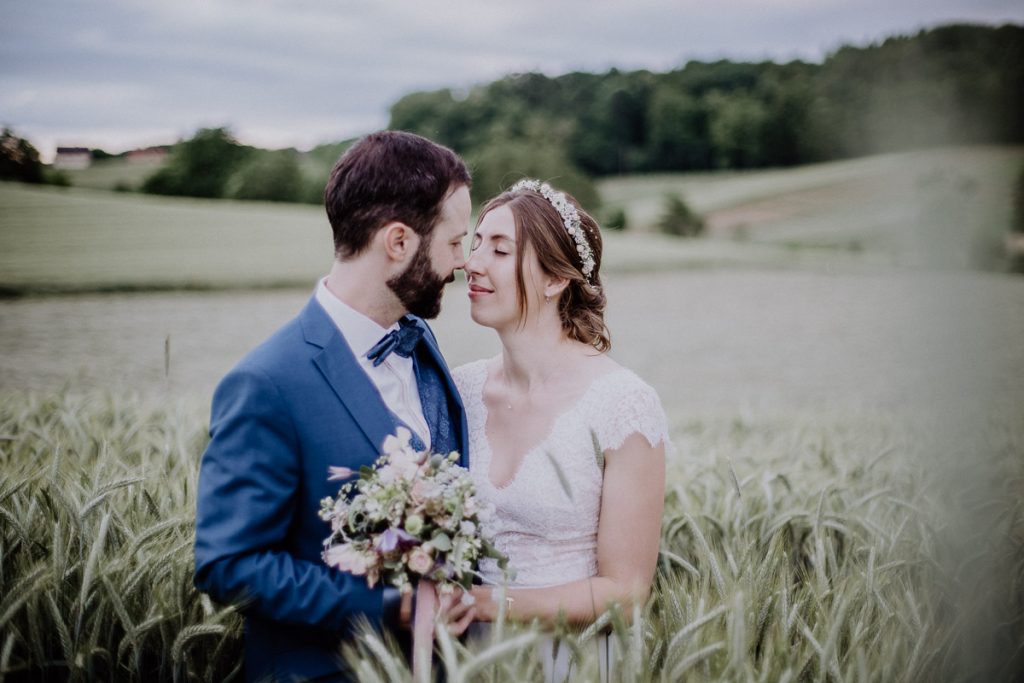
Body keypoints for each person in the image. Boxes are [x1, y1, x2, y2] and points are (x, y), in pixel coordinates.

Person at [193, 130, 476, 682]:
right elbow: (229, 564)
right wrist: (390, 607)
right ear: (398, 242)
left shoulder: (419, 340)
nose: (463, 262)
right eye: (454, 242)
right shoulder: (266, 382)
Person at [454, 179, 669, 681]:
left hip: (574, 660)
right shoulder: (458, 389)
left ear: (555, 280)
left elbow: (627, 591)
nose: (474, 263)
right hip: (466, 658)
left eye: (500, 250)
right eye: (476, 243)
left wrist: (486, 603)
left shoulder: (623, 404)